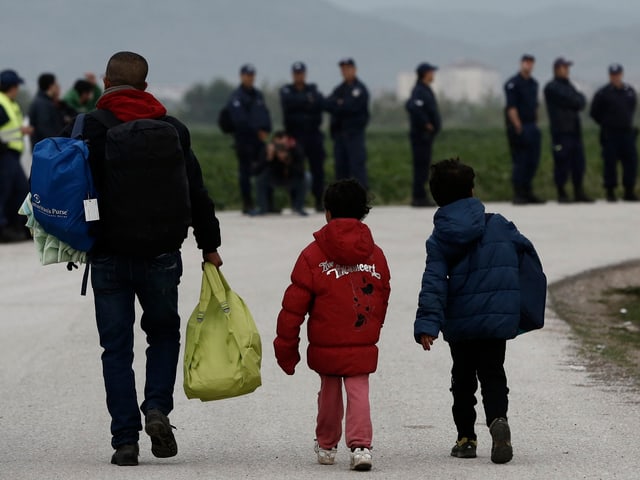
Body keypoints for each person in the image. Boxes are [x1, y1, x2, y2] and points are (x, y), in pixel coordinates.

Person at [62, 51, 223, 466]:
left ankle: (124, 441)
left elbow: (71, 189)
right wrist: (210, 245)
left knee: (115, 348)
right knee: (163, 335)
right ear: (146, 87)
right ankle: (156, 407)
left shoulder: (89, 127)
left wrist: (71, 238)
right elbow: (197, 192)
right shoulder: (173, 128)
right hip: (162, 254)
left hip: (109, 256)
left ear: (105, 82)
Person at [414, 158, 543, 464]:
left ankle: (466, 438)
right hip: (496, 320)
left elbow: (433, 283)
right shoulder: (498, 223)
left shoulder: (440, 238)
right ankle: (498, 421)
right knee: (494, 375)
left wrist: (427, 325)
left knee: (462, 381)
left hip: (461, 324)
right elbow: (523, 252)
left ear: (437, 197)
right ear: (472, 190)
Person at [274, 179, 391, 471]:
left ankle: (326, 445)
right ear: (364, 212)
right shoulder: (375, 255)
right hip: (361, 337)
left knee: (329, 390)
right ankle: (361, 446)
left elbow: (293, 309)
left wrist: (286, 349)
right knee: (358, 389)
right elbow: (382, 295)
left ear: (327, 213)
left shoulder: (312, 255)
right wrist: (373, 327)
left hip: (326, 342)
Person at [224, 64, 272, 214]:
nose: (250, 78)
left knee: (265, 169)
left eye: (252, 75)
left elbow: (265, 114)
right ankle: (247, 203)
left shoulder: (258, 95)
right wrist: (257, 131)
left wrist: (266, 130)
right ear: (242, 76)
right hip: (244, 140)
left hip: (259, 141)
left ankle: (266, 203)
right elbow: (240, 120)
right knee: (245, 172)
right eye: (247, 75)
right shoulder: (236, 97)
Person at [543, 57, 592, 203]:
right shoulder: (551, 87)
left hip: (575, 131)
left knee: (578, 163)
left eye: (567, 67)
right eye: (564, 67)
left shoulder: (569, 85)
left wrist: (577, 99)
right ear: (557, 69)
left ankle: (578, 191)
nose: (567, 70)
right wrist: (576, 99)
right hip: (561, 132)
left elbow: (581, 100)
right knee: (562, 162)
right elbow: (573, 100)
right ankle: (562, 192)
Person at [280, 61, 326, 212]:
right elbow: (288, 105)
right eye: (296, 73)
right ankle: (296, 201)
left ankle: (319, 200)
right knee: (296, 169)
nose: (298, 76)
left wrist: (300, 106)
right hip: (295, 135)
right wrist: (307, 102)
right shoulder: (286, 91)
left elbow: (319, 105)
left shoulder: (313, 90)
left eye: (301, 73)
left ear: (304, 74)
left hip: (313, 134)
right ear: (293, 75)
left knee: (317, 169)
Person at [590, 63, 638, 202]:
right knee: (610, 162)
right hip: (610, 133)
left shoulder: (629, 91)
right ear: (609, 75)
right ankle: (610, 191)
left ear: (621, 74)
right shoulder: (603, 93)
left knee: (630, 162)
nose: (615, 77)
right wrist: (606, 123)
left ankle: (629, 190)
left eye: (617, 74)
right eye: (613, 74)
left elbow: (632, 107)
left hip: (627, 132)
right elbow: (594, 112)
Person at [504, 54, 545, 205]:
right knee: (520, 161)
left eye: (531, 63)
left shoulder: (533, 83)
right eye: (526, 63)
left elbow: (535, 106)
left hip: (531, 125)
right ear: (521, 64)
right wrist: (517, 126)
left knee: (532, 161)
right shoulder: (513, 84)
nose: (528, 66)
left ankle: (528, 191)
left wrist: (536, 124)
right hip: (519, 126)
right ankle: (518, 193)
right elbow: (511, 107)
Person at [325, 58, 370, 189]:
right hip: (339, 134)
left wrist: (339, 104)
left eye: (348, 68)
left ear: (354, 70)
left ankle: (361, 199)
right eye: (343, 69)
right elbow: (327, 104)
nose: (345, 72)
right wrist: (340, 104)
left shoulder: (359, 89)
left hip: (354, 134)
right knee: (340, 168)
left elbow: (351, 107)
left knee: (357, 167)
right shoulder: (339, 89)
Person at [0, 69, 33, 243]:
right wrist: (19, 131)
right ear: (10, 87)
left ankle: (18, 225)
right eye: (15, 86)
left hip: (11, 155)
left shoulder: (10, 103)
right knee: (4, 192)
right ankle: (4, 228)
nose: (17, 90)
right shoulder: (1, 103)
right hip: (4, 153)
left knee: (20, 190)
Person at [406, 62, 441, 207]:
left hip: (426, 137)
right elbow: (414, 107)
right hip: (421, 135)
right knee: (420, 165)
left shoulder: (425, 89)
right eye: (431, 72)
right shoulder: (419, 90)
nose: (433, 75)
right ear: (425, 74)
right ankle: (419, 196)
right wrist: (426, 123)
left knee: (424, 165)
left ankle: (420, 195)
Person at [255, 131, 308, 216]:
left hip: (291, 176)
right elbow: (257, 170)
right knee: (261, 179)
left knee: (307, 177)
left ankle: (298, 207)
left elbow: (300, 169)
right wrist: (269, 157)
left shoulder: (294, 148)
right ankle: (263, 208)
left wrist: (287, 160)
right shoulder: (268, 149)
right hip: (274, 177)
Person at [28, 73, 64, 147]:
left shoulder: (46, 102)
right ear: (51, 86)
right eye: (55, 84)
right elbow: (45, 129)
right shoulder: (42, 104)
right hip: (47, 149)